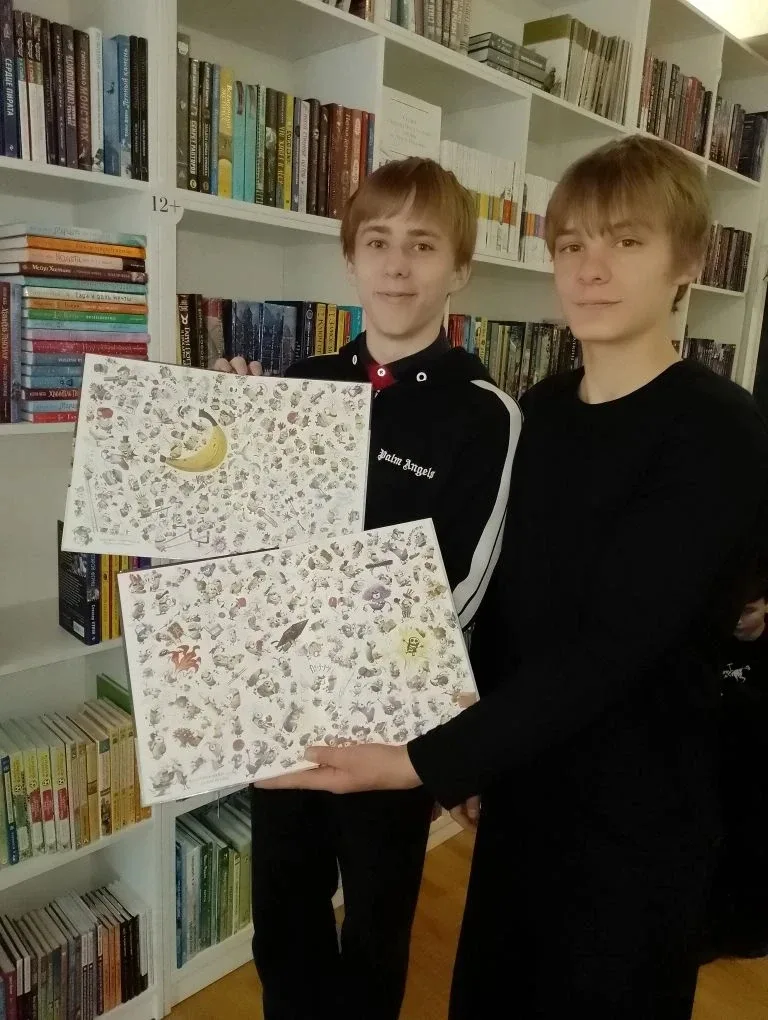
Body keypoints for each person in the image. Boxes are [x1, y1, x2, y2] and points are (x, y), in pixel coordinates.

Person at [260, 135, 768, 1020]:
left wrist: (431, 759)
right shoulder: (544, 411)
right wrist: (474, 757)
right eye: (571, 245)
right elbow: (507, 602)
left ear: (688, 262)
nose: (592, 269)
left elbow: (618, 642)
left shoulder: (721, 428)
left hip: (637, 814)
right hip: (523, 790)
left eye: (627, 242)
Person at [215, 157, 521, 1020]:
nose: (396, 265)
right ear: (349, 258)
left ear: (459, 269)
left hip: (393, 725)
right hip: (282, 705)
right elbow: (242, 554)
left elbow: (462, 586)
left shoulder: (485, 412)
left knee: (377, 925)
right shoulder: (296, 386)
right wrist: (232, 444)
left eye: (423, 245)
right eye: (378, 242)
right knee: (283, 914)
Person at [701, 574, 768, 961]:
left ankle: (747, 932)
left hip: (754, 770)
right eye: (735, 612)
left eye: (748, 611)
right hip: (715, 763)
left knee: (750, 848)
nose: (740, 621)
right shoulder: (714, 645)